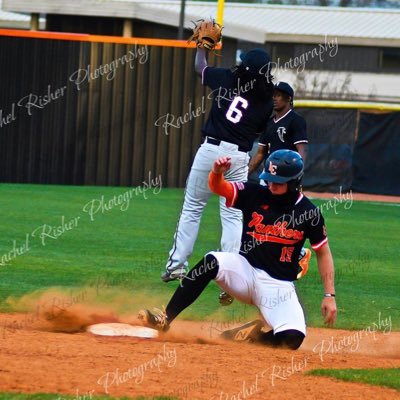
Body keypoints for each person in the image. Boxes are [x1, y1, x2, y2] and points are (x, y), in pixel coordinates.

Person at [140, 150, 337, 349]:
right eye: (269, 179)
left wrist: (329, 296)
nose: (271, 184)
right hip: (245, 270)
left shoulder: (309, 213)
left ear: (295, 182)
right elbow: (219, 187)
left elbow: (323, 252)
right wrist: (217, 172)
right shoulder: (255, 194)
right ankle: (165, 318)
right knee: (211, 261)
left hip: (277, 286)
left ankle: (249, 338)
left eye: (278, 181)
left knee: (293, 338)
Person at [162, 47, 275, 297]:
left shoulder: (227, 78)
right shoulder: (267, 101)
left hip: (212, 150)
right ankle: (232, 277)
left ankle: (176, 266)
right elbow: (259, 131)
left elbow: (199, 67)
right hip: (239, 156)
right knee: (233, 215)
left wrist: (202, 47)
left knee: (193, 206)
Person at [248, 82, 308, 179]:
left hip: (286, 173)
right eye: (272, 95)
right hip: (268, 173)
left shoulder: (296, 120)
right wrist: (246, 174)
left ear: (289, 98)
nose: (274, 98)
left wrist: (299, 171)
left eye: (278, 95)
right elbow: (261, 152)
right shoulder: (268, 122)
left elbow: (302, 149)